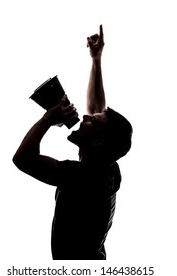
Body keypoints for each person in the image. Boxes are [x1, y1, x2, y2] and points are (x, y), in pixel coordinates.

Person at [13, 25, 133, 260]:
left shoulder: (81, 177)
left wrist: (48, 118)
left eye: (92, 122)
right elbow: (98, 109)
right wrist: (96, 60)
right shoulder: (108, 167)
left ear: (97, 143)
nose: (86, 116)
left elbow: (23, 159)